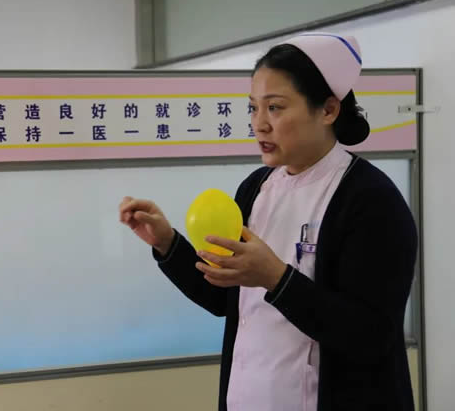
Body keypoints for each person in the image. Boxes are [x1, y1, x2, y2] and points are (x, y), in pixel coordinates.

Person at [120, 33, 417, 411]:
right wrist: (167, 243)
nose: (259, 124)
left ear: (328, 110)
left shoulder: (371, 200)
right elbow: (223, 297)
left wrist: (277, 278)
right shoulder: (256, 189)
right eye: (253, 108)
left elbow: (371, 336)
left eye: (275, 107)